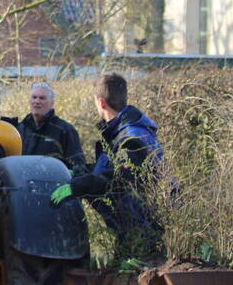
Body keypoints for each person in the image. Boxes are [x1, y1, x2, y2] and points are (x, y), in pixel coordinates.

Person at [50, 73, 164, 257]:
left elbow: (119, 178)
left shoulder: (131, 138)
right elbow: (107, 167)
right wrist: (78, 172)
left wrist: (77, 186)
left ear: (101, 103)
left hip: (145, 233)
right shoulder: (120, 132)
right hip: (132, 229)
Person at [17, 82, 85, 171]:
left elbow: (78, 166)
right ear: (29, 101)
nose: (37, 101)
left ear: (52, 103)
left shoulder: (65, 130)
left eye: (42, 98)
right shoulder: (20, 129)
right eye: (34, 97)